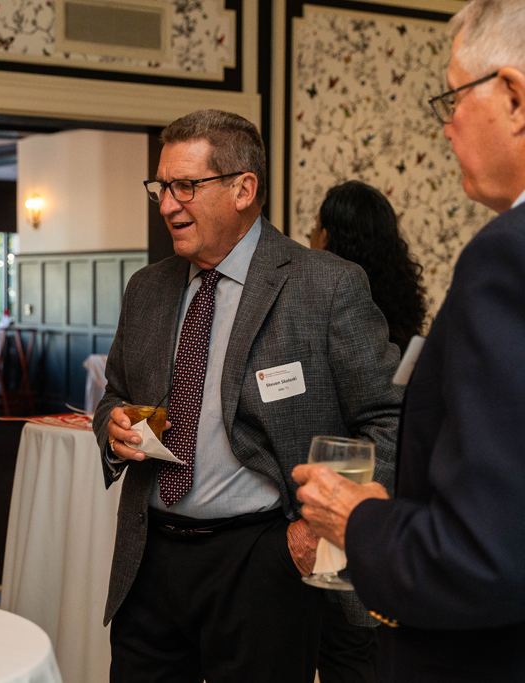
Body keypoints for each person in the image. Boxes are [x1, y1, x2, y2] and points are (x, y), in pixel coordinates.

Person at [95, 109, 403, 683]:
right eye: (161, 187)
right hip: (150, 557)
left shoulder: (325, 286)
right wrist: (112, 426)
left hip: (263, 556)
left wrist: (317, 534)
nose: (166, 204)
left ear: (243, 189)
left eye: (186, 186)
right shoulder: (147, 289)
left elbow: (389, 421)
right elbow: (115, 392)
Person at [294, 1, 525, 679]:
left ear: (514, 98)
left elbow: (482, 553)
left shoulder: (505, 260)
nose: (446, 124)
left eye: (454, 95)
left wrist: (358, 516)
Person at [309, 180, 427, 683]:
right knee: (360, 645)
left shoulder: (332, 298)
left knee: (342, 632)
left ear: (330, 233)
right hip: (395, 483)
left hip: (343, 479)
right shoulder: (406, 306)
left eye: (317, 227)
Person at [311, 180, 427, 354]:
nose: (311, 236)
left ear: (325, 239)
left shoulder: (320, 308)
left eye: (315, 227)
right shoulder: (401, 304)